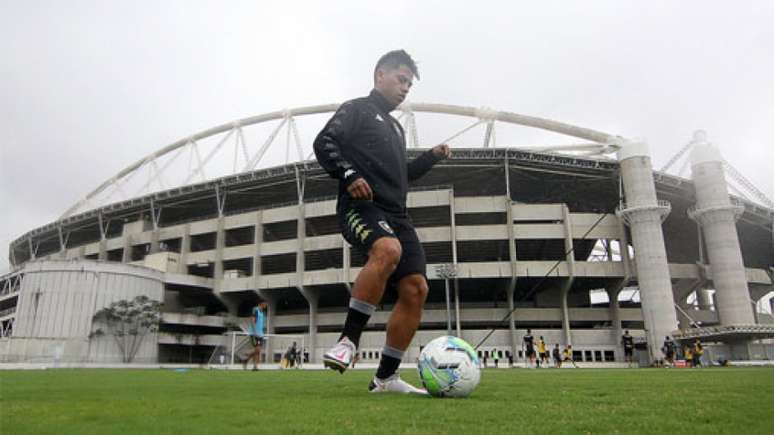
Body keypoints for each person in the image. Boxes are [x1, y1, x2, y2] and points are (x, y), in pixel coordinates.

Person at [314, 49, 450, 395]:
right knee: (387, 250)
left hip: (397, 214)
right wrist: (348, 174)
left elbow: (402, 175)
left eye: (409, 84)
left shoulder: (395, 127)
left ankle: (385, 378)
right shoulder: (357, 109)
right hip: (362, 207)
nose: (405, 88)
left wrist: (431, 157)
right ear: (380, 75)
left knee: (416, 288)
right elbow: (324, 142)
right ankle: (348, 340)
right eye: (401, 79)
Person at [244, 302, 267, 371]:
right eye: (264, 304)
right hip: (254, 334)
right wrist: (254, 332)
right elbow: (252, 321)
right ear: (260, 304)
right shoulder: (255, 310)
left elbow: (261, 323)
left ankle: (254, 366)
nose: (265, 306)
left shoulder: (262, 312)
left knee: (258, 351)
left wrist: (263, 330)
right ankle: (247, 360)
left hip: (260, 334)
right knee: (257, 350)